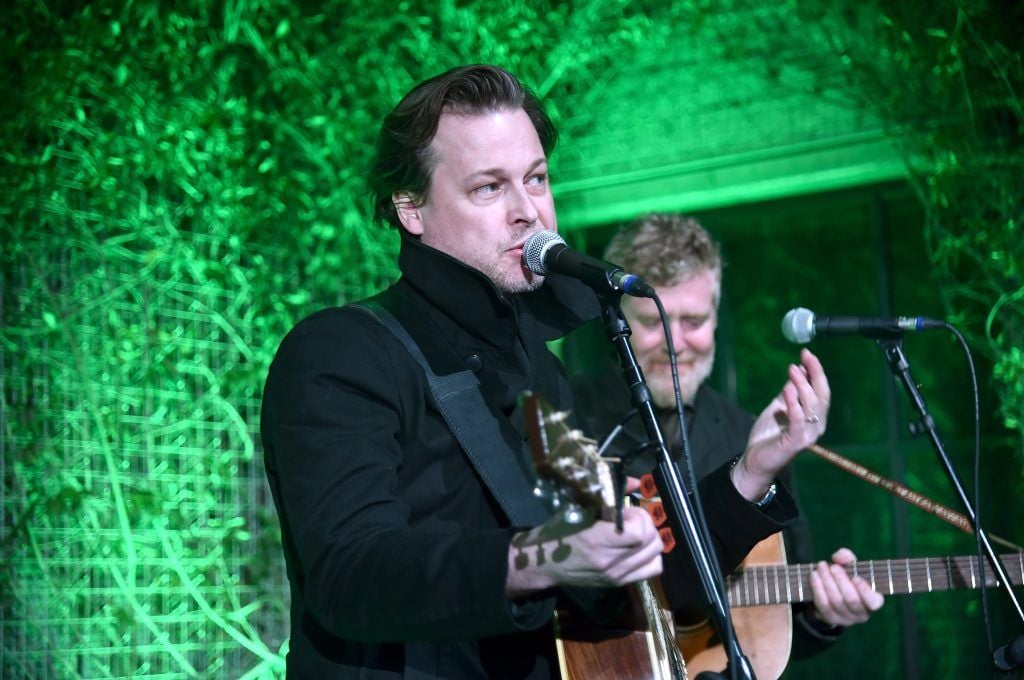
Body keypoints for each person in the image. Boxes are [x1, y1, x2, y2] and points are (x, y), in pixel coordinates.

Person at [260, 65, 831, 679]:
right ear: (411, 208)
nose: (528, 210)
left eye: (536, 179)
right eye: (488, 188)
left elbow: (629, 588)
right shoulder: (342, 352)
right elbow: (350, 576)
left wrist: (750, 473)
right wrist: (544, 558)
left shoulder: (537, 370)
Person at [568, 213, 885, 664]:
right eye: (652, 321)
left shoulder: (748, 434)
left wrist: (822, 616)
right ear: (617, 319)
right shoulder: (566, 411)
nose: (674, 343)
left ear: (716, 319)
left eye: (693, 320)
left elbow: (774, 621)